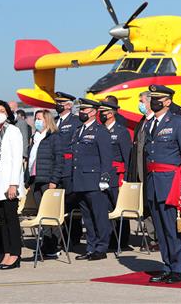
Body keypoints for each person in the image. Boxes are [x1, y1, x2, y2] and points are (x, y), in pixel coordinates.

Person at [144, 85, 181, 284]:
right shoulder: (150, 123)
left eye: (157, 98)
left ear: (167, 101)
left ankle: (178, 268)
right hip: (154, 182)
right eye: (152, 98)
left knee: (172, 228)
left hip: (170, 182)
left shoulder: (177, 123)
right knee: (160, 229)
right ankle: (166, 266)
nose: (153, 101)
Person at [0, 100, 25, 270]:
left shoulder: (13, 131)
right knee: (2, 220)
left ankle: (15, 254)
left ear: (8, 113)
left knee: (11, 219)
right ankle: (7, 252)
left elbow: (17, 159)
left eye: (2, 110)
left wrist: (14, 184)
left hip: (10, 183)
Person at [72, 98, 113, 261]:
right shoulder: (78, 130)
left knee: (99, 216)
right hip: (81, 180)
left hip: (95, 180)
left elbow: (106, 157)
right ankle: (91, 247)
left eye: (85, 110)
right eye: (81, 109)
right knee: (87, 217)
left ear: (94, 112)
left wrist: (105, 177)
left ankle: (101, 247)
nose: (82, 112)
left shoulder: (100, 131)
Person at [25, 109, 63, 258]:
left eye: (40, 118)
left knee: (51, 215)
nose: (37, 121)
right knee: (43, 215)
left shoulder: (54, 137)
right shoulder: (35, 137)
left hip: (48, 181)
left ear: (47, 120)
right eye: (36, 119)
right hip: (36, 179)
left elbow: (59, 160)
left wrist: (54, 180)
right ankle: (46, 244)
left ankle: (54, 245)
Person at [125, 91, 159, 252]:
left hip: (151, 172)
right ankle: (152, 238)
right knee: (145, 207)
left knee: (155, 206)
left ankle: (159, 238)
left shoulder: (156, 122)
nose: (139, 104)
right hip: (139, 172)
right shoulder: (142, 122)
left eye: (142, 101)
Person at [99, 100, 132, 248]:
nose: (102, 115)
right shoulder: (100, 130)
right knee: (105, 207)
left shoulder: (121, 131)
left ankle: (122, 240)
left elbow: (127, 157)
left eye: (104, 112)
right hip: (102, 173)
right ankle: (110, 238)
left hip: (117, 174)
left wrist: (126, 178)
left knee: (118, 208)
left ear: (111, 114)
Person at [53, 92, 82, 246]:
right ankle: (58, 238)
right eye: (57, 102)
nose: (58, 105)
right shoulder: (55, 121)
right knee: (58, 205)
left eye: (61, 102)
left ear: (69, 105)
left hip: (68, 169)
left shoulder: (75, 121)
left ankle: (73, 238)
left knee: (71, 205)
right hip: (56, 169)